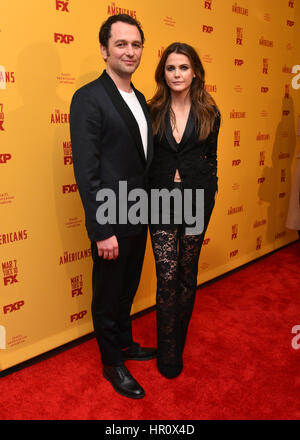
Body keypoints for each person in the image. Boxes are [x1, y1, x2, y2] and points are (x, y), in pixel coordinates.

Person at [70, 14, 155, 400]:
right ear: (104, 50)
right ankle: (111, 362)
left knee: (128, 288)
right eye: (121, 44)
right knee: (107, 294)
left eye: (135, 44)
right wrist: (102, 229)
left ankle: (125, 343)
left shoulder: (141, 99)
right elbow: (87, 171)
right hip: (111, 218)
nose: (130, 51)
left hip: (139, 214)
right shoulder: (89, 97)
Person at [148, 42, 220, 378]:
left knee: (187, 276)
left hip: (196, 199)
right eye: (171, 68)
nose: (177, 74)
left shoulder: (210, 112)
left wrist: (210, 189)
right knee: (167, 277)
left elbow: (212, 157)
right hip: (160, 198)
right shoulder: (151, 110)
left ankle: (179, 342)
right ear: (163, 73)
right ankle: (167, 350)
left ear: (195, 72)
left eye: (183, 68)